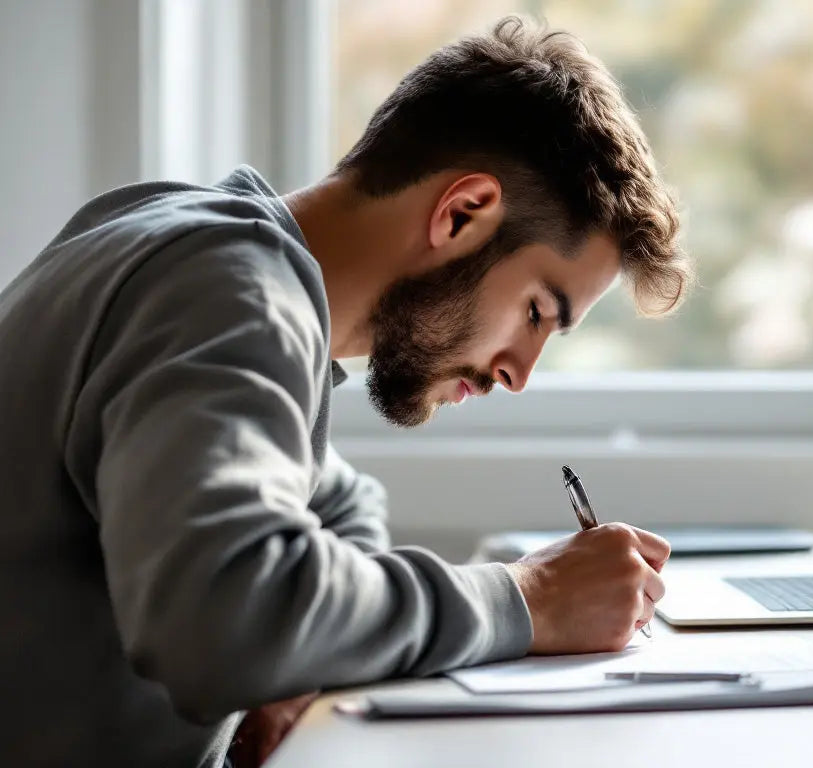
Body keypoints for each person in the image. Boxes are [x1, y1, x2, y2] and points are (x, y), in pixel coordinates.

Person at [0, 16, 689, 768]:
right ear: (462, 213)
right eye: (535, 313)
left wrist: (306, 657)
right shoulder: (229, 295)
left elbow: (341, 500)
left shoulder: (177, 238)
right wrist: (529, 599)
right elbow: (223, 627)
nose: (516, 373)